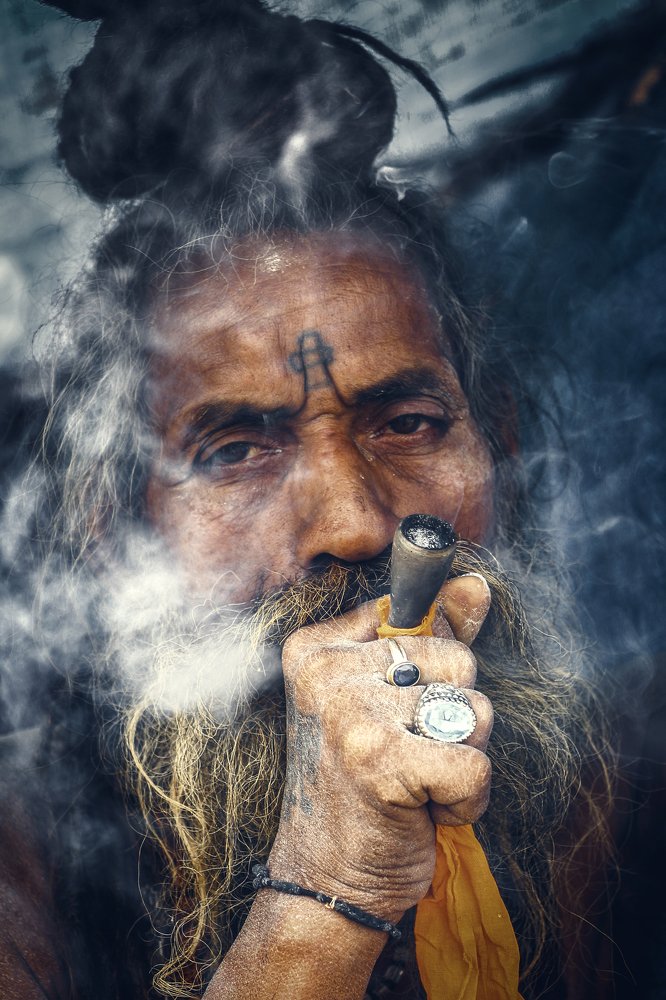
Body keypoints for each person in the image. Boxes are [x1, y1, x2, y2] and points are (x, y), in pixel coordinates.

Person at [0, 1, 615, 998]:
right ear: (114, 535)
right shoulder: (19, 858)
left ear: (495, 439)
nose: (355, 523)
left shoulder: (618, 773)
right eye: (237, 449)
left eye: (410, 423)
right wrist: (331, 887)